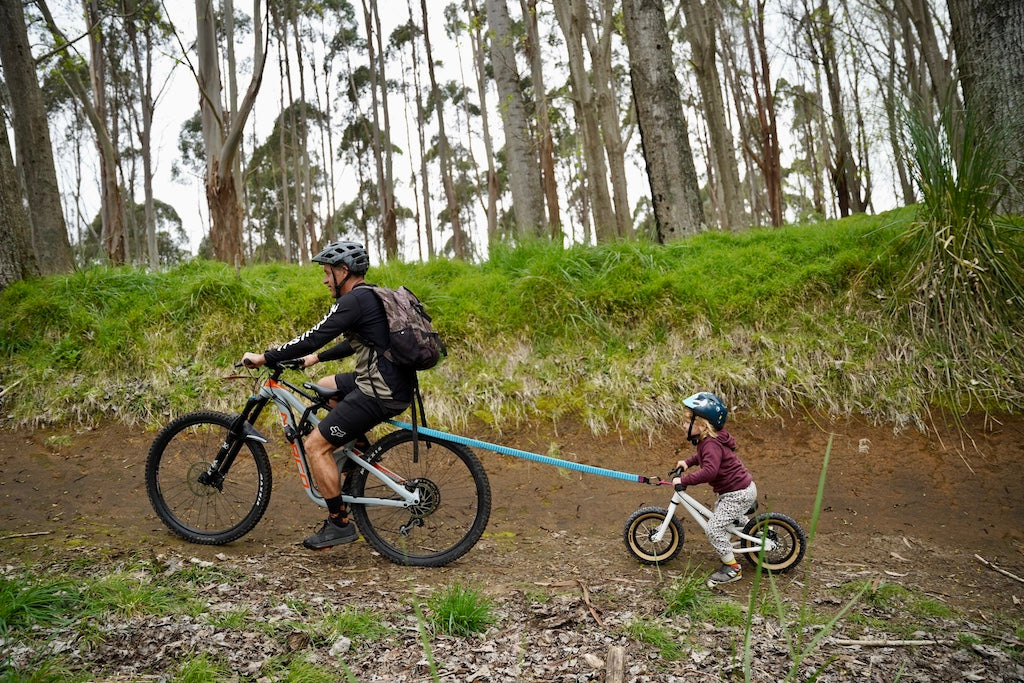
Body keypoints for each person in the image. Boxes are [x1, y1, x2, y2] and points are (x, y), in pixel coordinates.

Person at [241, 241, 415, 550]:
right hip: (389, 383)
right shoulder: (370, 296)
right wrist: (315, 360)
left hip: (379, 390)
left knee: (315, 446)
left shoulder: (352, 301)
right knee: (327, 384)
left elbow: (313, 337)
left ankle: (339, 523)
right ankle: (357, 450)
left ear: (343, 271)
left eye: (327, 272)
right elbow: (355, 341)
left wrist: (265, 357)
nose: (324, 280)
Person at [671, 391, 757, 587]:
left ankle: (733, 569)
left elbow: (710, 470)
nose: (683, 425)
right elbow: (702, 456)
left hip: (736, 493)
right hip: (737, 489)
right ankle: (757, 532)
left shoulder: (710, 444)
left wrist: (685, 480)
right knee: (727, 520)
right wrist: (687, 462)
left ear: (701, 426)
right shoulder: (709, 440)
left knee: (714, 529)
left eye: (686, 422)